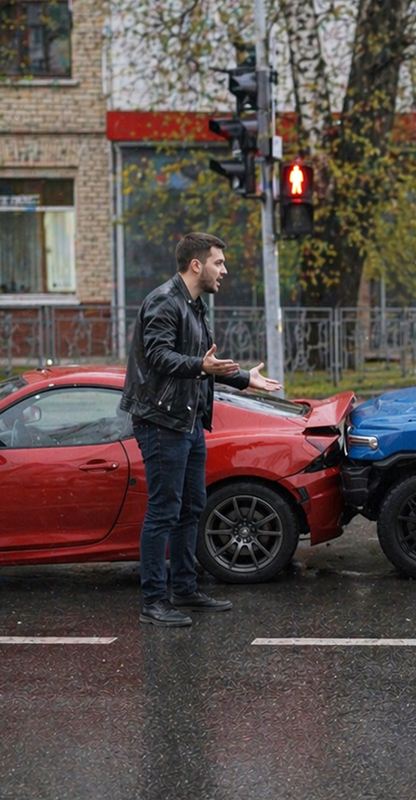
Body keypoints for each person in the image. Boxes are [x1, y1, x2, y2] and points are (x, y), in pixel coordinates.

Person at [122, 232, 281, 627]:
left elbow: (203, 363)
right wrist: (201, 366)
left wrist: (244, 378)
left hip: (188, 420)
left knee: (191, 507)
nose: (223, 270)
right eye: (218, 263)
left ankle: (186, 590)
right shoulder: (164, 301)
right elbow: (160, 356)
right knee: (163, 510)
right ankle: (154, 602)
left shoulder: (193, 306)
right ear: (197, 265)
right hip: (162, 422)